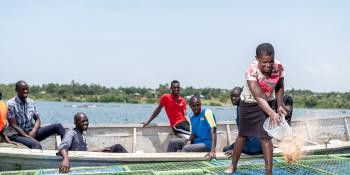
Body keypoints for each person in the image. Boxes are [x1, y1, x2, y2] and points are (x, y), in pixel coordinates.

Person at [225, 43, 287, 175]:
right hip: (248, 103)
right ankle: (233, 166)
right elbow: (258, 96)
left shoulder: (279, 67)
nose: (268, 65)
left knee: (266, 138)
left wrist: (280, 104)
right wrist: (272, 113)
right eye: (264, 62)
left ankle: (268, 172)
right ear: (257, 58)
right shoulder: (251, 70)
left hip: (268, 102)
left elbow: (280, 86)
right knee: (242, 135)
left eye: (270, 61)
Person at [59, 112, 127, 173]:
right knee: (118, 147)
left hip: (86, 159)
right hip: (82, 162)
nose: (86, 123)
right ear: (75, 123)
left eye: (87, 121)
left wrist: (100, 150)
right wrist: (65, 159)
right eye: (83, 121)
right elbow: (63, 147)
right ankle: (129, 165)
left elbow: (84, 152)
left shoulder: (81, 134)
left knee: (117, 147)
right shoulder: (71, 133)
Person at [6, 81, 65, 149]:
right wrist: (27, 136)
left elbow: (37, 119)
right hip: (17, 135)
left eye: (27, 89)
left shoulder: (31, 102)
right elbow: (13, 125)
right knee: (36, 145)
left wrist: (34, 131)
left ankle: (67, 151)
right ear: (16, 90)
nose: (25, 91)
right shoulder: (11, 104)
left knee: (58, 126)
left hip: (31, 132)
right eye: (23, 89)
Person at [167, 95, 217, 160]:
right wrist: (190, 140)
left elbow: (213, 131)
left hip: (207, 144)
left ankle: (180, 167)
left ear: (201, 104)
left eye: (198, 105)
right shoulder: (191, 116)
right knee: (173, 142)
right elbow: (193, 133)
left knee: (186, 148)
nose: (196, 108)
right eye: (193, 106)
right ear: (190, 106)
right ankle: (169, 163)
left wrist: (213, 151)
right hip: (196, 142)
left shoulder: (207, 112)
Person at [223, 87, 263, 156]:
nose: (233, 98)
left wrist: (235, 150)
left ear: (242, 97)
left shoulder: (241, 109)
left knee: (225, 149)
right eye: (232, 96)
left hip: (253, 147)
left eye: (236, 96)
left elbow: (244, 134)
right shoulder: (246, 107)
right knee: (231, 146)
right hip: (260, 145)